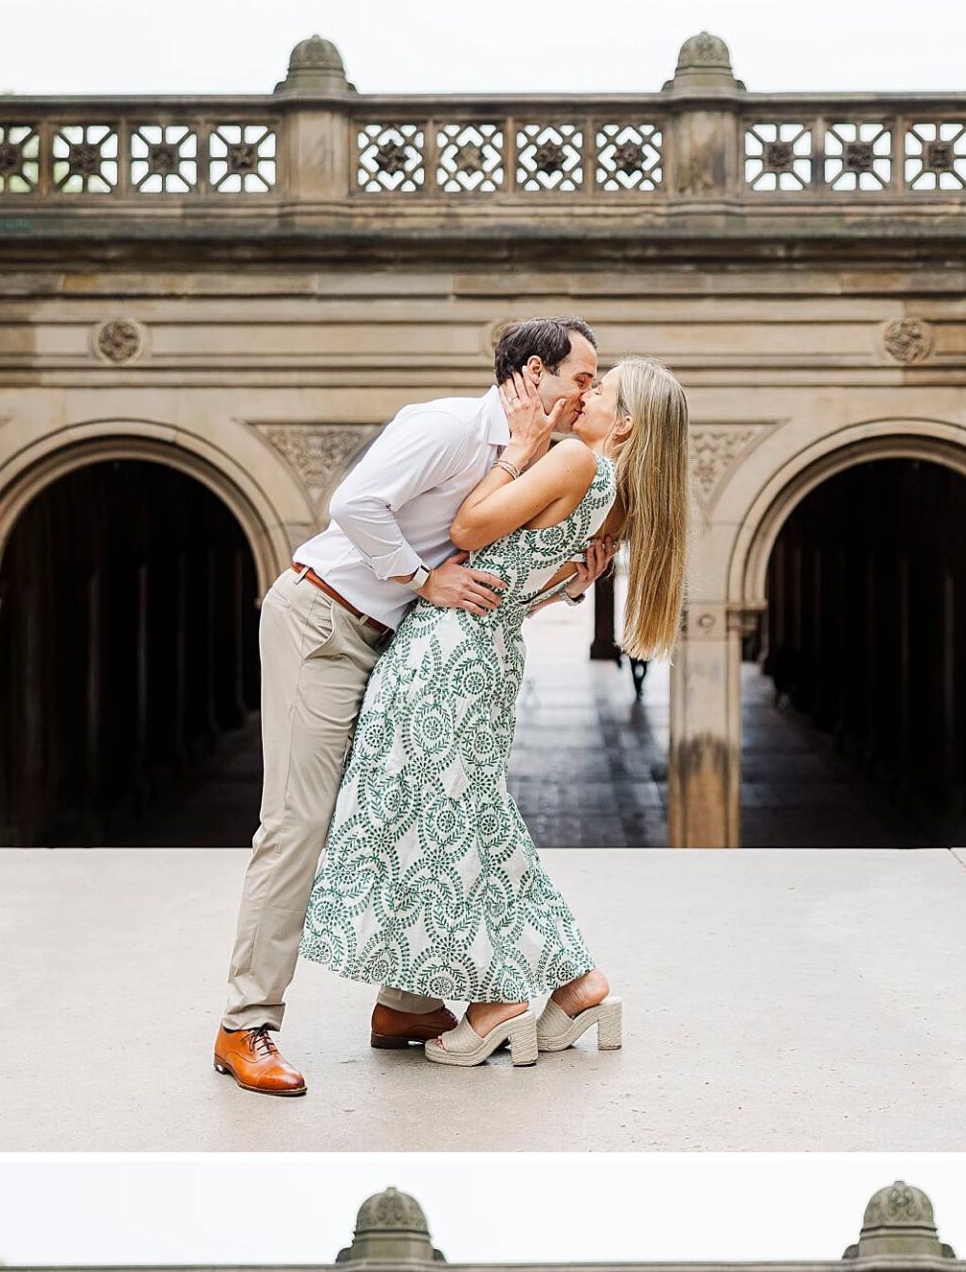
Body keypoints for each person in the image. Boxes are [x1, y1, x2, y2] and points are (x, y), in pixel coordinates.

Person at [213, 314, 603, 1098]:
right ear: (532, 374)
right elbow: (353, 504)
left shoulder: (529, 459)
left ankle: (406, 1006)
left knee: (401, 809)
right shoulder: (450, 425)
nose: (589, 393)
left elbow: (495, 571)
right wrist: (422, 581)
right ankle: (244, 1024)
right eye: (581, 379)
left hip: (394, 636)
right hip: (323, 619)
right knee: (297, 823)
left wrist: (570, 579)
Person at [299, 355, 689, 1068]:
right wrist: (571, 585)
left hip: (447, 651)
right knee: (464, 812)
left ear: (624, 422)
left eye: (597, 390)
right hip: (485, 650)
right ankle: (574, 983)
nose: (582, 394)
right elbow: (516, 585)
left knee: (440, 819)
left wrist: (513, 453)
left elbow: (471, 528)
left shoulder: (575, 463)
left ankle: (498, 999)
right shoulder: (614, 492)